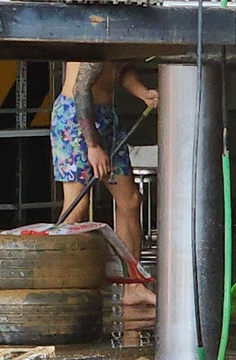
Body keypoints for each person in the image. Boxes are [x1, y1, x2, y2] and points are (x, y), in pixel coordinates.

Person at [53, 60, 158, 308]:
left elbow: (120, 68)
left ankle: (132, 286)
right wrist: (92, 146)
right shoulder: (98, 27)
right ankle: (54, 281)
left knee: (130, 200)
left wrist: (143, 93)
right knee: (77, 206)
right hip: (75, 116)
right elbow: (81, 89)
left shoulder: (122, 29)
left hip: (106, 115)